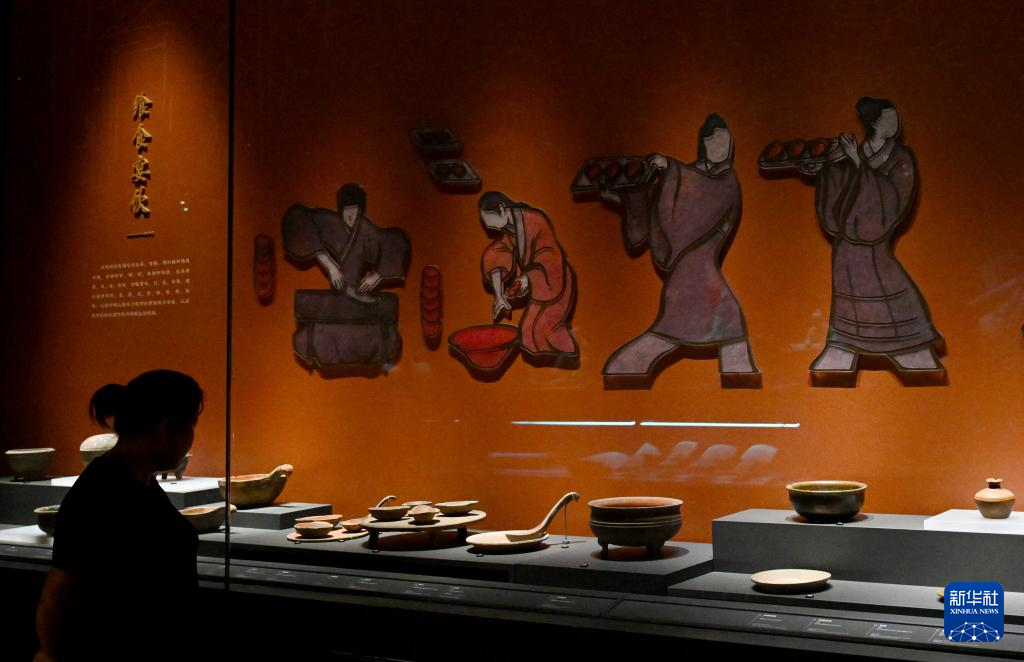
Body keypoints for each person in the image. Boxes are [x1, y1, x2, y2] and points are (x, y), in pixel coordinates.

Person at [35, 370, 204, 662]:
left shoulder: (138, 479)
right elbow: (56, 602)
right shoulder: (103, 490)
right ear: (168, 427)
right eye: (192, 424)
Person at [601, 114, 760, 388]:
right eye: (714, 141)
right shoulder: (688, 175)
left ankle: (624, 368)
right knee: (723, 322)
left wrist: (670, 166)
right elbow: (662, 208)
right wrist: (630, 196)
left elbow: (707, 194)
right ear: (703, 144)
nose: (721, 148)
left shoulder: (725, 180)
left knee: (727, 320)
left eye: (726, 142)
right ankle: (623, 368)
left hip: (699, 267)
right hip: (690, 272)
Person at [803, 97, 945, 383]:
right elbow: (837, 199)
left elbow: (891, 199)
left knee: (893, 291)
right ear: (874, 122)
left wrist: (858, 163)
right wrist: (829, 168)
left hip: (875, 243)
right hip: (847, 247)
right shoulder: (852, 152)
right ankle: (841, 352)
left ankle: (914, 352)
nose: (896, 123)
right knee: (849, 302)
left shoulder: (900, 156)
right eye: (889, 118)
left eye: (896, 117)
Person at [282, 183, 410, 370]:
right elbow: (297, 218)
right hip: (337, 297)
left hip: (359, 298)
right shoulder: (330, 223)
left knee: (383, 334)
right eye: (347, 211)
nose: (350, 215)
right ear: (340, 210)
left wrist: (377, 276)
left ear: (361, 210)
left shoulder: (367, 231)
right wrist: (328, 264)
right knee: (310, 336)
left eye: (355, 210)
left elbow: (395, 241)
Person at [479, 191, 579, 367]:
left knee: (545, 328)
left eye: (489, 219)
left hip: (555, 279)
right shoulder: (509, 228)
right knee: (528, 333)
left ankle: (569, 355)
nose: (488, 225)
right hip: (537, 282)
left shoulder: (535, 220)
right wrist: (499, 295)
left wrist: (528, 278)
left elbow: (548, 255)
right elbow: (498, 253)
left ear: (502, 209)